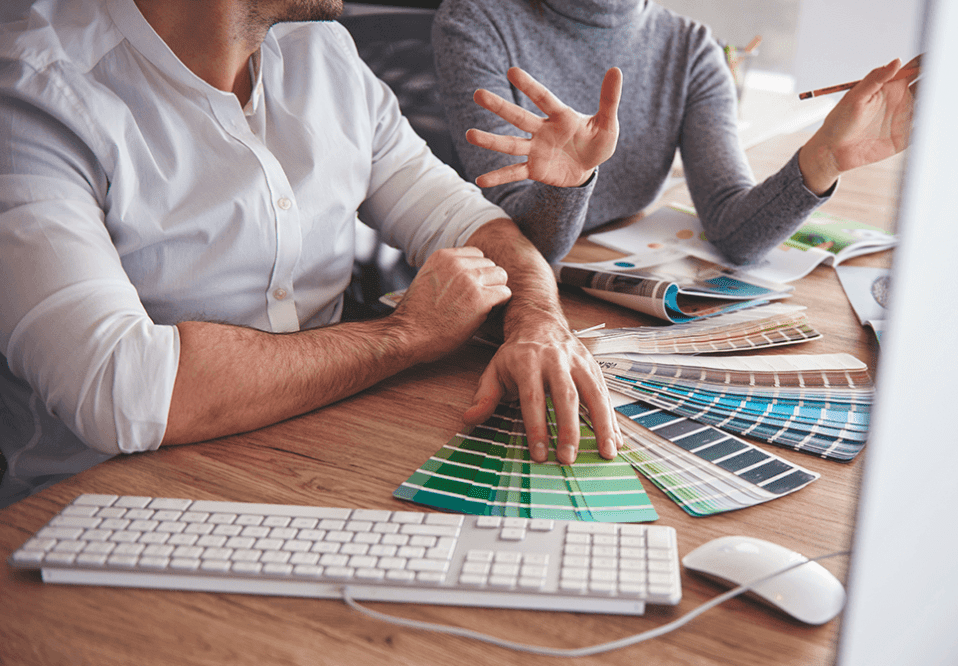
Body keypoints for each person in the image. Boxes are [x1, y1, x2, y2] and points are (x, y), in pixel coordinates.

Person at [0, 0, 622, 508]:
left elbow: (468, 222)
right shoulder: (32, 90)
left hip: (314, 453)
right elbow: (122, 393)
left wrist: (538, 319)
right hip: (99, 505)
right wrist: (402, 336)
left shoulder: (323, 53)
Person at [431, 0, 918, 264]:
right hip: (504, 292)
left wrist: (824, 159)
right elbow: (520, 244)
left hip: (610, 291)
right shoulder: (475, 20)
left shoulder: (691, 48)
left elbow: (736, 232)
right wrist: (570, 182)